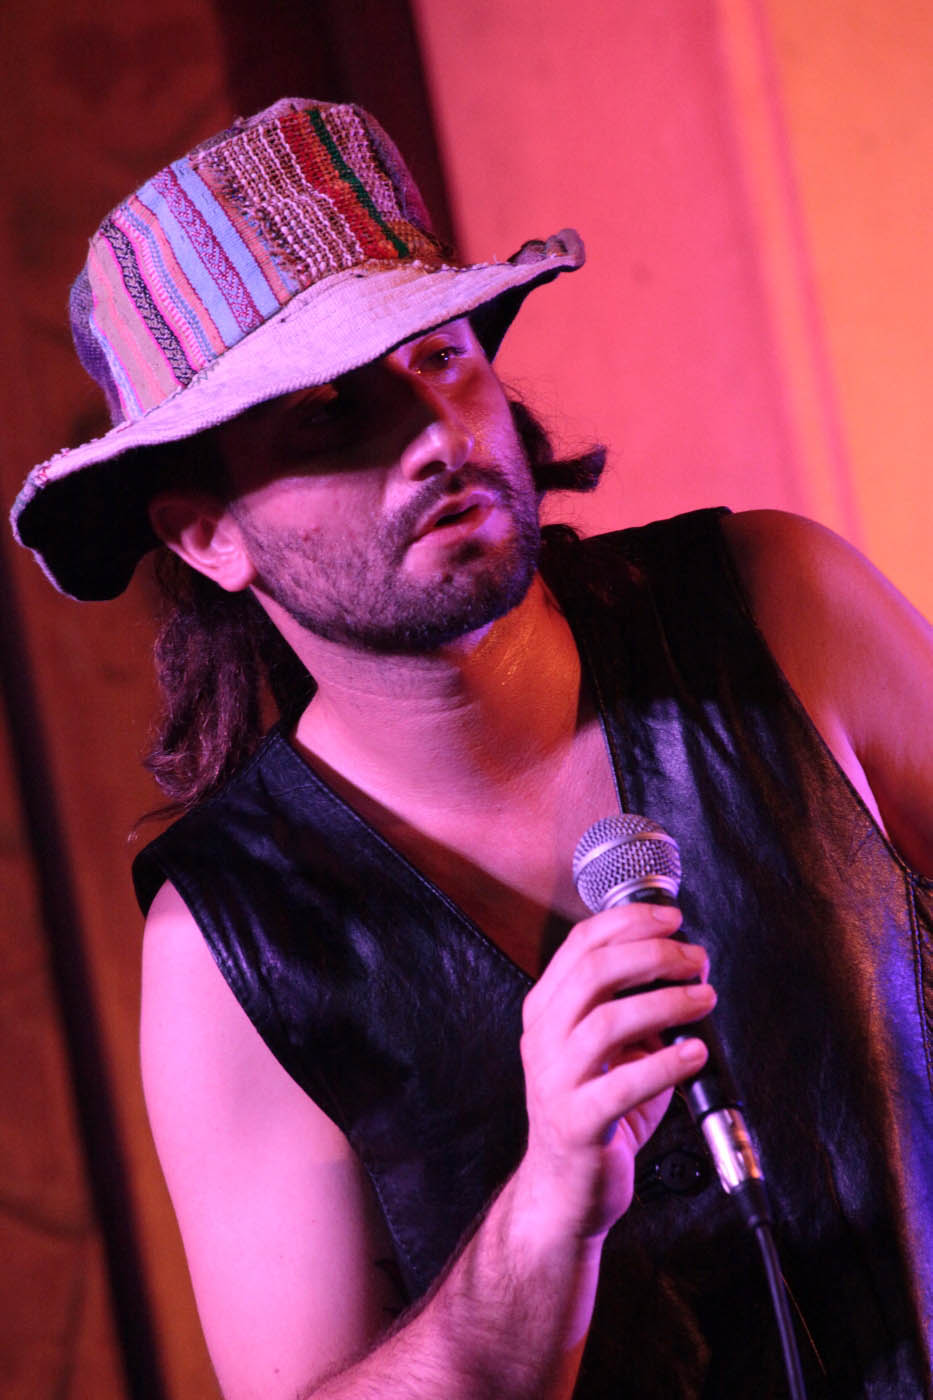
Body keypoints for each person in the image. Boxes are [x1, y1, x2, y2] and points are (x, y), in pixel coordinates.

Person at [11, 97, 933, 1400]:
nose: (433, 435)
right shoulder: (230, 946)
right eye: (327, 413)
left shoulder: (779, 605)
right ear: (207, 535)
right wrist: (549, 1203)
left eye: (438, 355)